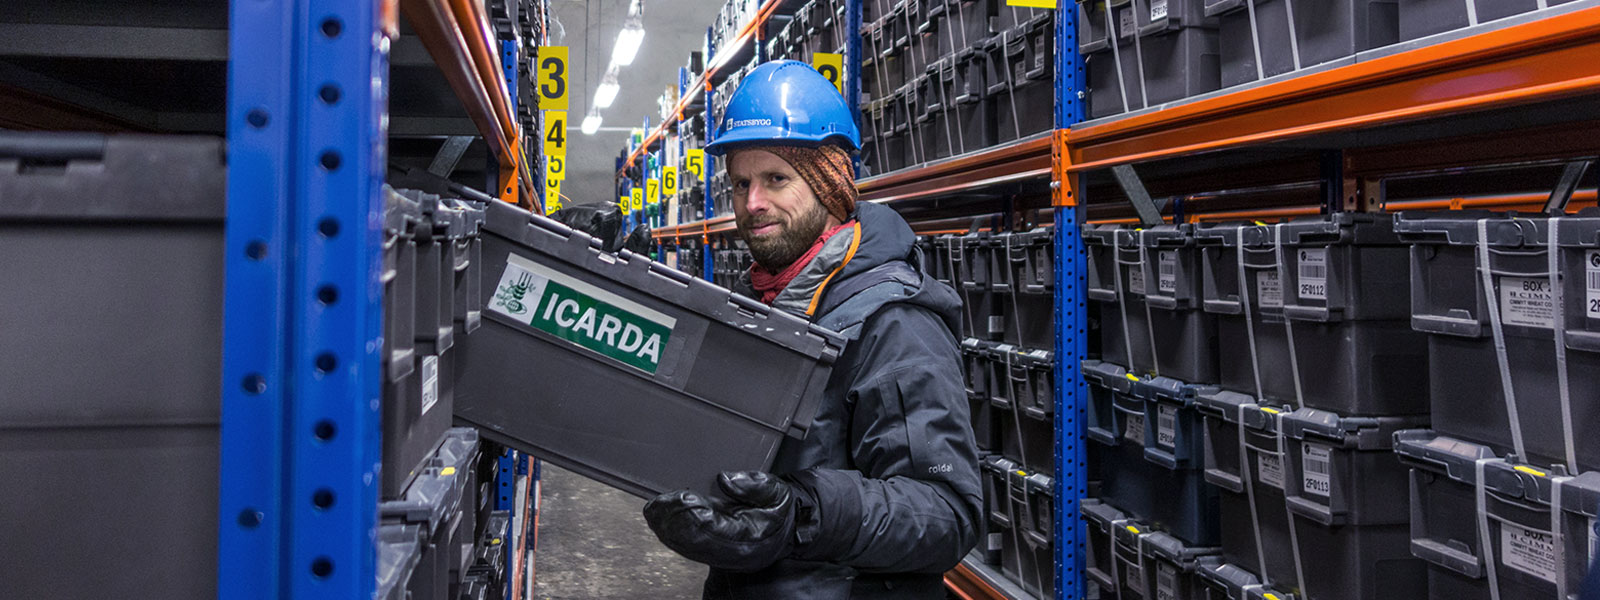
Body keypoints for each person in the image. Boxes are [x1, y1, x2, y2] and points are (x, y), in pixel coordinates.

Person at [641, 60, 982, 599]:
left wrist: (802, 514)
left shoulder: (894, 321)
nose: (753, 203)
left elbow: (947, 513)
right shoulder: (768, 300)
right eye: (740, 183)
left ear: (829, 182)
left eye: (777, 179)